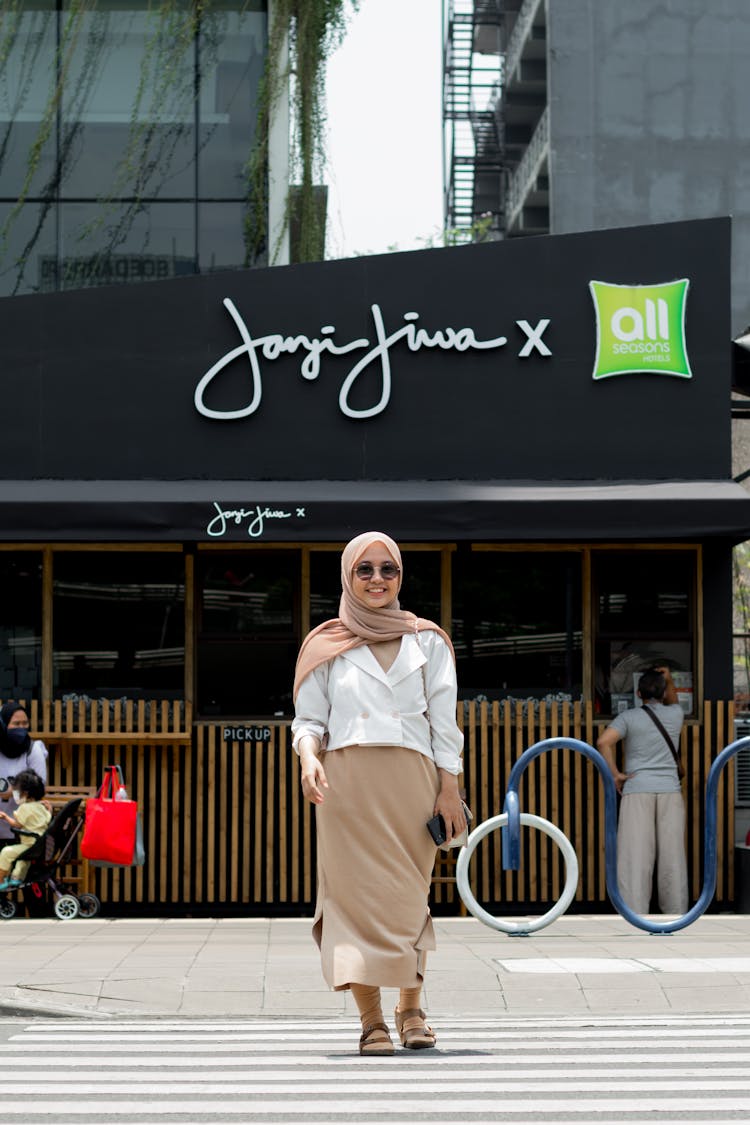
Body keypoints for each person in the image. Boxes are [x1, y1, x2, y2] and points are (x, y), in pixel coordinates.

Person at [292, 531, 465, 1056]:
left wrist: (449, 788)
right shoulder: (325, 643)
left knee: (410, 899)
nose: (376, 580)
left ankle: (411, 1008)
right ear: (348, 575)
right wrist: (307, 759)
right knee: (351, 904)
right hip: (345, 788)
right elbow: (309, 720)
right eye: (364, 569)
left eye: (387, 569)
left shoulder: (427, 640)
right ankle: (371, 1021)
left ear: (401, 577)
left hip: (413, 783)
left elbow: (444, 721)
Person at [597, 666, 688, 915]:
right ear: (663, 692)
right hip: (670, 789)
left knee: (636, 856)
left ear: (638, 693)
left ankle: (634, 913)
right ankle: (676, 913)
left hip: (637, 789)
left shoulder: (629, 717)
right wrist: (667, 678)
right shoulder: (676, 713)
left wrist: (616, 774)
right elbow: (673, 698)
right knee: (673, 856)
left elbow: (604, 742)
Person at [0, 702, 49, 850]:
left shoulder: (33, 750)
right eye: (16, 724)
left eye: (25, 723)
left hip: (22, 828)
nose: (21, 728)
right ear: (3, 724)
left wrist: (13, 794)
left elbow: (39, 789)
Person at [0, 768, 51, 890]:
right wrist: (50, 809)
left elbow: (17, 825)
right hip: (40, 845)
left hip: (30, 845)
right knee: (24, 859)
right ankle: (16, 878)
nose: (14, 794)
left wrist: (5, 817)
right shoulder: (41, 806)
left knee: (6, 853)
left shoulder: (25, 808)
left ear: (26, 793)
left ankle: (0, 879)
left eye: (16, 791)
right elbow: (48, 819)